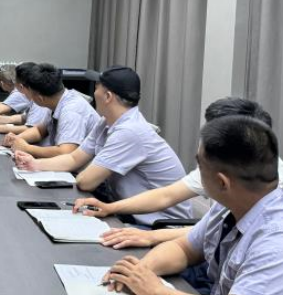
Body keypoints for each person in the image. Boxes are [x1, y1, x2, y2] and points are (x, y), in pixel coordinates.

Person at [104, 115, 283, 295]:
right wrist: (142, 271)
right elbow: (184, 248)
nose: (197, 172)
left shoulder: (275, 238)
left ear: (222, 183)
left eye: (200, 165)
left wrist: (157, 290)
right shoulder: (231, 204)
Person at [73, 97, 283, 248]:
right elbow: (167, 195)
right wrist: (110, 208)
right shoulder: (225, 167)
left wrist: (150, 238)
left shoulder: (272, 198)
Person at [15, 66, 190, 225]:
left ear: (107, 97)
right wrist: (34, 164)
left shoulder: (130, 131)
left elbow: (86, 182)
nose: (94, 92)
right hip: (126, 211)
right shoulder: (106, 122)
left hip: (157, 225)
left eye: (97, 87)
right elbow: (73, 158)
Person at [5, 63, 100, 159]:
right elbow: (39, 131)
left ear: (40, 98)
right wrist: (17, 139)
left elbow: (66, 152)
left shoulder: (71, 111)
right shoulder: (56, 100)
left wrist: (27, 148)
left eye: (31, 93)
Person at [0, 62, 50, 133]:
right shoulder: (34, 97)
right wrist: (2, 119)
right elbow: (25, 117)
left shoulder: (39, 101)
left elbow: (32, 130)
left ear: (21, 86)